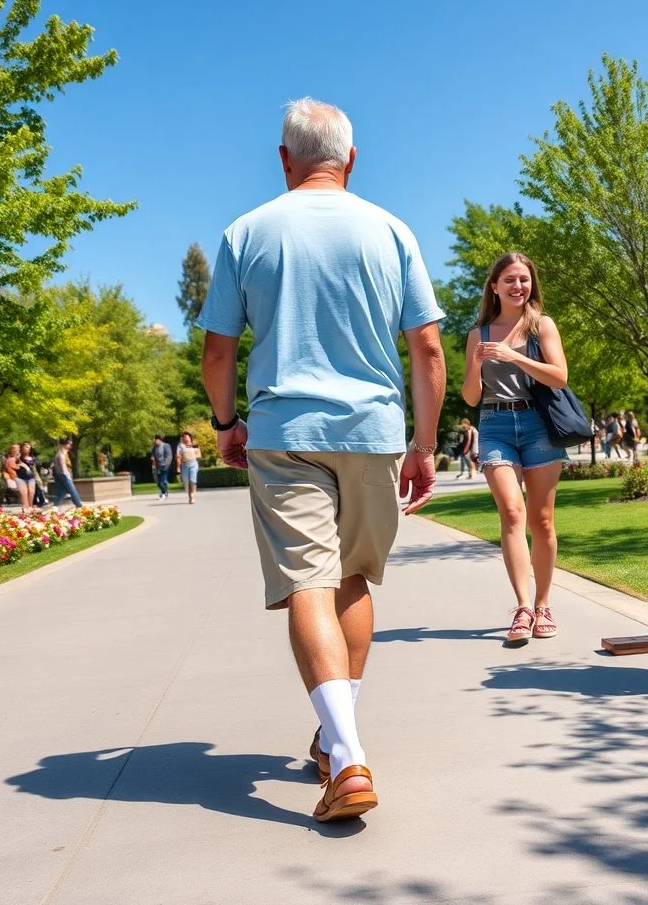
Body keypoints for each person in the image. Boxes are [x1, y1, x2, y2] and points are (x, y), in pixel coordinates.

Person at [199, 97, 445, 822]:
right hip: (373, 432)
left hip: (284, 431)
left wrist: (225, 423)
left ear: (284, 158)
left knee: (307, 583)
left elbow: (219, 350)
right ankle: (338, 745)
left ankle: (345, 752)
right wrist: (423, 444)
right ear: (351, 159)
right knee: (353, 581)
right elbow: (427, 347)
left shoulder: (247, 232)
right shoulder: (390, 230)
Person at [461, 251, 569, 645]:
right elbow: (471, 397)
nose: (518, 286)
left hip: (538, 424)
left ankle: (543, 605)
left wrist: (513, 357)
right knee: (511, 511)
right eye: (509, 279)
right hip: (496, 424)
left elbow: (559, 377)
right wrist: (476, 363)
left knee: (541, 521)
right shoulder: (480, 333)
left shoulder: (542, 326)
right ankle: (522, 607)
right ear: (495, 286)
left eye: (524, 279)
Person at [52, 437, 82, 508]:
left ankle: (55, 507)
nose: (70, 446)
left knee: (61, 493)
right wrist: (67, 475)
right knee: (73, 490)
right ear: (65, 444)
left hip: (58, 475)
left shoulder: (60, 453)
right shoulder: (62, 453)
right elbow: (63, 465)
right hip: (64, 475)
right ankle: (79, 506)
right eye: (69, 444)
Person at [175, 431, 200, 504]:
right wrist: (178, 467)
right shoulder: (180, 446)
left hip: (193, 464)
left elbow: (198, 455)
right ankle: (190, 496)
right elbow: (178, 457)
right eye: (184, 437)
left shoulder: (194, 444)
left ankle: (192, 496)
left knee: (192, 480)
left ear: (190, 437)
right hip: (185, 465)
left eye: (187, 436)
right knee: (186, 482)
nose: (185, 438)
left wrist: (195, 452)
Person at [21, 442, 48, 507]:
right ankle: (35, 503)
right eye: (25, 446)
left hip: (35, 476)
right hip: (26, 477)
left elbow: (38, 466)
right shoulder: (20, 458)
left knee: (39, 487)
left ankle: (42, 500)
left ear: (30, 450)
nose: (26, 448)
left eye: (27, 447)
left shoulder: (33, 458)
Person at [150, 434, 173, 499]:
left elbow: (169, 456)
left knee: (163, 480)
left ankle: (164, 493)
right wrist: (153, 461)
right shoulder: (154, 447)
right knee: (158, 481)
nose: (154, 441)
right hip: (157, 467)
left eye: (155, 439)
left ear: (159, 440)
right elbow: (152, 456)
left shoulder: (166, 446)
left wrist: (166, 464)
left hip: (165, 466)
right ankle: (164, 491)